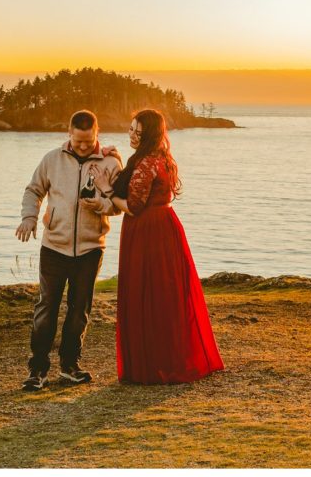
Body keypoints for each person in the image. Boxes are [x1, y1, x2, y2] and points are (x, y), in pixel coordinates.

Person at [90, 109, 225, 384]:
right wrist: (111, 157)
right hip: (165, 227)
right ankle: (169, 356)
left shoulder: (146, 163)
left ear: (146, 133)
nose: (130, 134)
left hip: (147, 231)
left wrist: (105, 189)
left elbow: (134, 206)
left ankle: (152, 364)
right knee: (166, 294)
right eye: (130, 129)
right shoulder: (161, 158)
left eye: (135, 130)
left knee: (147, 292)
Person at [15, 109, 122, 391]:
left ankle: (69, 366)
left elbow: (118, 205)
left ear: (97, 133)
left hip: (90, 249)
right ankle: (37, 370)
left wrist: (100, 206)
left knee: (79, 311)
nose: (83, 147)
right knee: (45, 309)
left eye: (88, 142)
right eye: (78, 142)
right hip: (53, 246)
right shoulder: (52, 159)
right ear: (69, 134)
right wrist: (29, 217)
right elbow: (34, 190)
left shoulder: (110, 163)